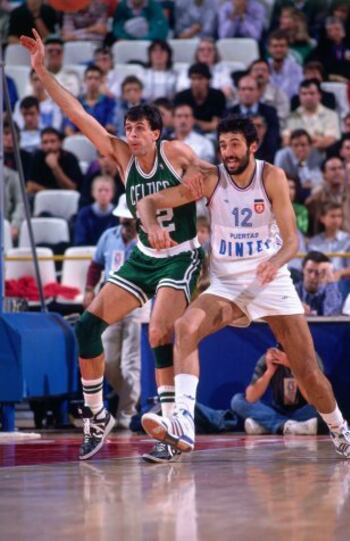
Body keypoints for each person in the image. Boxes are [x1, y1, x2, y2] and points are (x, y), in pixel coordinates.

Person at [21, 28, 206, 463]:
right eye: (128, 128)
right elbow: (77, 112)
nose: (132, 133)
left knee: (159, 330)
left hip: (181, 257)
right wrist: (43, 73)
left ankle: (170, 426)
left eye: (139, 128)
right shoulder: (122, 156)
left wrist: (198, 193)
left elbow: (210, 179)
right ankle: (97, 414)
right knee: (85, 327)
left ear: (157, 133)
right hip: (143, 257)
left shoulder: (177, 153)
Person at [137, 115, 350, 460]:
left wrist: (276, 262)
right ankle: (182, 423)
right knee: (184, 327)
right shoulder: (209, 180)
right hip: (227, 284)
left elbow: (291, 240)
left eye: (235, 144)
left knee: (307, 371)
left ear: (252, 146)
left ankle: (339, 429)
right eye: (223, 145)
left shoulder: (271, 176)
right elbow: (148, 203)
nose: (227, 151)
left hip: (270, 280)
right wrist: (151, 225)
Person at [84, 194, 140, 428]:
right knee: (107, 361)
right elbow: (96, 265)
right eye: (122, 220)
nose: (124, 225)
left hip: (139, 303)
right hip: (109, 302)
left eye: (129, 221)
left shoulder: (148, 242)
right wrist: (89, 290)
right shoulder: (108, 237)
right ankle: (128, 401)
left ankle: (127, 413)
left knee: (130, 363)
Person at [231, 345, 324, 435]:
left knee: (325, 407)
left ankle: (268, 425)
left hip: (303, 410)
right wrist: (269, 371)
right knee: (237, 400)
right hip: (278, 409)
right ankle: (286, 426)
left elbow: (313, 400)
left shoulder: (311, 357)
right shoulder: (269, 358)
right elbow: (251, 398)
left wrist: (294, 367)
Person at [305, 156, 350, 242]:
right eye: (333, 169)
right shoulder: (316, 199)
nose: (337, 172)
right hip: (327, 247)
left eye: (340, 168)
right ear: (324, 174)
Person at [227, 74, 280, 162]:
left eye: (250, 89)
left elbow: (273, 141)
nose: (247, 92)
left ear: (258, 92)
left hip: (265, 160)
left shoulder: (270, 113)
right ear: (238, 92)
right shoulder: (229, 113)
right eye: (243, 89)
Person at [283, 79, 341, 150]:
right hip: (295, 154)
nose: (308, 97)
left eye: (312, 93)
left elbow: (330, 140)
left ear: (319, 95)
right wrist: (314, 139)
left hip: (321, 154)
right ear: (299, 96)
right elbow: (286, 141)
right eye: (304, 94)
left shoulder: (331, 115)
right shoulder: (291, 116)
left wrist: (302, 144)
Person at [27, 127, 83, 195]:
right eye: (45, 142)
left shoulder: (70, 158)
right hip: (42, 198)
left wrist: (55, 168)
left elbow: (72, 188)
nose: (49, 146)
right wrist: (50, 193)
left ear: (60, 143)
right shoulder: (36, 157)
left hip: (66, 198)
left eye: (53, 141)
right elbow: (30, 186)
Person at [176, 37, 235, 102]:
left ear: (215, 53)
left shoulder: (223, 69)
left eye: (209, 50)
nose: (206, 52)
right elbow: (181, 90)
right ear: (197, 53)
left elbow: (227, 92)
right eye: (202, 50)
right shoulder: (187, 69)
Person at [174, 63, 226, 135]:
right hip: (186, 132)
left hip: (212, 134)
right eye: (193, 78)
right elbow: (178, 121)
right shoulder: (181, 97)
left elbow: (216, 125)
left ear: (208, 80)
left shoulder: (217, 96)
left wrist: (194, 122)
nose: (196, 82)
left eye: (200, 78)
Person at [64, 65, 116, 136]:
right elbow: (68, 128)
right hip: (79, 140)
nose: (93, 81)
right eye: (90, 78)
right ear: (84, 81)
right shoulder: (76, 102)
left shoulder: (109, 102)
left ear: (101, 81)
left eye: (96, 78)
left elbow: (110, 128)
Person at [275, 129, 323, 194]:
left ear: (310, 146)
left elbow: (310, 183)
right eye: (296, 145)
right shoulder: (282, 156)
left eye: (303, 145)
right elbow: (278, 179)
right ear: (290, 147)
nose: (300, 149)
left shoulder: (316, 155)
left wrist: (302, 162)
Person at [295, 251, 343, 316]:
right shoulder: (292, 290)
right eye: (309, 271)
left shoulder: (330, 290)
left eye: (317, 273)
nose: (312, 276)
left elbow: (332, 315)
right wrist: (295, 309)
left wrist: (330, 279)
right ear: (302, 270)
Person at [74, 176, 118, 246]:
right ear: (92, 192)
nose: (103, 194)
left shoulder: (118, 214)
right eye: (100, 190)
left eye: (107, 190)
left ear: (113, 193)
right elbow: (79, 241)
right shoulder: (84, 213)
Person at [249, 59, 290, 130]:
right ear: (249, 74)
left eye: (263, 70)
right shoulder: (241, 92)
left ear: (269, 74)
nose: (260, 73)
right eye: (256, 70)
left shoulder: (280, 95)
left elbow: (282, 121)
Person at [267, 29, 304, 100]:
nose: (278, 50)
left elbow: (297, 93)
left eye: (282, 46)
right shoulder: (262, 68)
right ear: (269, 49)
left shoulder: (297, 69)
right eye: (275, 46)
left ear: (288, 48)